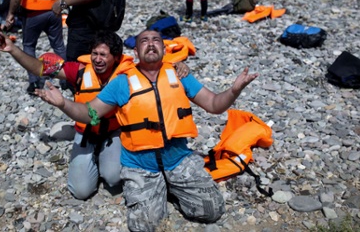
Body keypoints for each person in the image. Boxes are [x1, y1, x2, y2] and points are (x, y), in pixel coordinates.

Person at [33, 29, 258, 231]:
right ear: (136, 51)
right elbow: (90, 114)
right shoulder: (122, 82)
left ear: (163, 47)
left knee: (212, 211)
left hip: (178, 159)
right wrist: (64, 104)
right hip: (141, 165)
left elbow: (214, 105)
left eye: (156, 40)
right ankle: (159, 187)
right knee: (143, 226)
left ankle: (171, 185)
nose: (150, 43)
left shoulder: (180, 75)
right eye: (144, 41)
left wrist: (234, 90)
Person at [0, 30, 190, 200]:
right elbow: (39, 67)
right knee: (81, 192)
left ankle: (102, 158)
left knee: (113, 179)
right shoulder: (79, 71)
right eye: (94, 54)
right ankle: (83, 147)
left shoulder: (129, 73)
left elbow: (155, 67)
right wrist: (13, 49)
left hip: (114, 132)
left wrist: (178, 65)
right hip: (86, 130)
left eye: (103, 55)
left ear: (115, 56)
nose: (97, 59)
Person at [5, 0, 66, 95]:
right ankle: (66, 80)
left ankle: (34, 82)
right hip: (54, 10)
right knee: (58, 45)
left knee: (29, 45)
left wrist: (11, 13)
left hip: (34, 12)